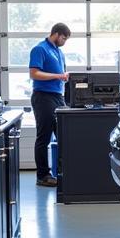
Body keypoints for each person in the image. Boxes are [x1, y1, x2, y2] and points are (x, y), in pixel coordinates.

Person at [29, 23, 71, 187]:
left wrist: (64, 77)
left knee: (64, 135)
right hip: (43, 97)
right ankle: (43, 176)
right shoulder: (40, 49)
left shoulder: (59, 52)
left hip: (57, 97)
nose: (64, 42)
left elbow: (60, 75)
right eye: (64, 38)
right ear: (57, 34)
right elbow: (34, 73)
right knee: (44, 137)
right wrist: (58, 76)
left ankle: (62, 171)